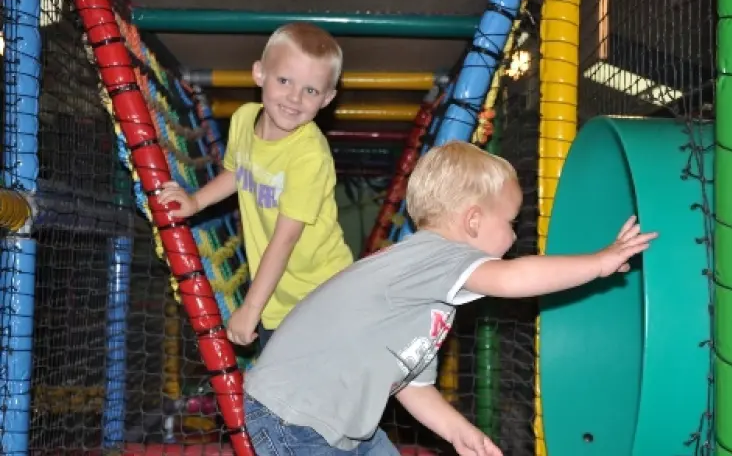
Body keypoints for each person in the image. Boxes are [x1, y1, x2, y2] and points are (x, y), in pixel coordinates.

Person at [242, 141, 658, 455]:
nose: (514, 236)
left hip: (339, 426)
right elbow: (514, 278)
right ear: (473, 219)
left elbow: (412, 387)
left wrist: (462, 432)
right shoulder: (435, 256)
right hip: (292, 418)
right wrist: (599, 263)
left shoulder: (428, 294)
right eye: (511, 223)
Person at [156, 22, 353, 352]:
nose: (294, 98)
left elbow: (285, 238)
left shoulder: (309, 156)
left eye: (311, 90)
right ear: (260, 73)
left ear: (327, 99)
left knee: (305, 389)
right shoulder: (244, 120)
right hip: (278, 296)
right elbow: (236, 173)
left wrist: (250, 308)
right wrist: (193, 202)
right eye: (284, 80)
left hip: (323, 290)